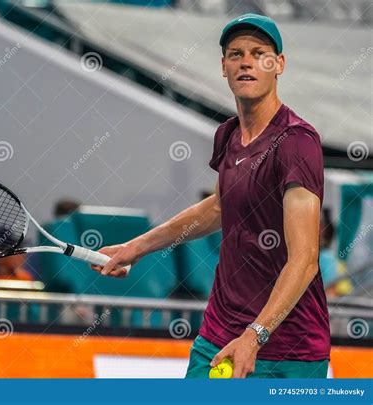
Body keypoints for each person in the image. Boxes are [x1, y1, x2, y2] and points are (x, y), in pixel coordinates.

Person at [91, 13, 330, 378]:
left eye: (259, 53)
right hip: (217, 337)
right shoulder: (228, 136)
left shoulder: (297, 142)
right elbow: (219, 206)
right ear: (223, 67)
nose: (246, 61)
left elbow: (305, 260)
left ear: (278, 64)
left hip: (287, 351)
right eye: (235, 54)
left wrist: (255, 335)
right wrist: (136, 247)